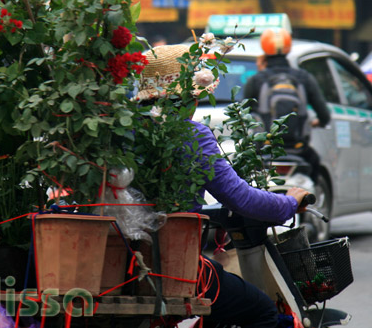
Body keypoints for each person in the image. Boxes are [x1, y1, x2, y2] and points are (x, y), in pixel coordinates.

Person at [136, 44, 311, 328]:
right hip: (176, 267)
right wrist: (289, 203)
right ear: (191, 99)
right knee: (264, 312)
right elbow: (240, 198)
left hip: (123, 264)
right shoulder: (191, 135)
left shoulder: (122, 132)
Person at [243, 28, 331, 181]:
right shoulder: (303, 78)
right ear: (288, 48)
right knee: (315, 164)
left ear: (264, 48)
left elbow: (243, 114)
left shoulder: (257, 79)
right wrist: (318, 122)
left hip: (265, 148)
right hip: (299, 148)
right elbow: (324, 115)